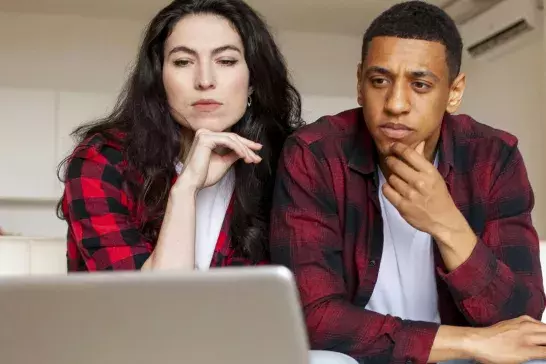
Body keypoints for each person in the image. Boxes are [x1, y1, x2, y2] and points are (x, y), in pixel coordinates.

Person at [57, 1, 357, 363]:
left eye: (226, 61)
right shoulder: (103, 160)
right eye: (183, 61)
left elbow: (299, 311)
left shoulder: (288, 163)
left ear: (253, 81)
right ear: (158, 79)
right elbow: (152, 316)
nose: (204, 80)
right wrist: (186, 190)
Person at [269, 1, 546, 364]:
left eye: (420, 84)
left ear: (454, 92)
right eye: (379, 81)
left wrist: (446, 223)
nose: (396, 104)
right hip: (361, 353)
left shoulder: (493, 156)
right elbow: (311, 315)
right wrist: (468, 342)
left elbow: (520, 317)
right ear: (358, 83)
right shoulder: (315, 154)